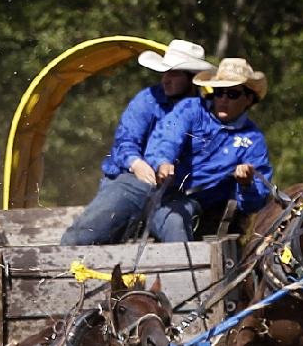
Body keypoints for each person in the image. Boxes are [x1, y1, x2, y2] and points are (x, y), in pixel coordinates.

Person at [60, 39, 215, 245]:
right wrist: (137, 163)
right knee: (82, 235)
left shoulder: (205, 112)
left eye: (174, 74)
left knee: (176, 227)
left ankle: (185, 275)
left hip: (172, 194)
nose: (166, 79)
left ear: (193, 78)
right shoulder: (147, 100)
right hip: (130, 181)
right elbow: (125, 142)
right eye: (165, 72)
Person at [142, 57, 273, 242]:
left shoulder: (254, 140)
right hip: (169, 198)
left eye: (233, 94)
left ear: (249, 98)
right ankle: (183, 269)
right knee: (175, 221)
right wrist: (163, 161)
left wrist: (246, 185)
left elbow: (255, 203)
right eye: (219, 92)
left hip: (215, 213)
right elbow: (167, 137)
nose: (223, 99)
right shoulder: (191, 109)